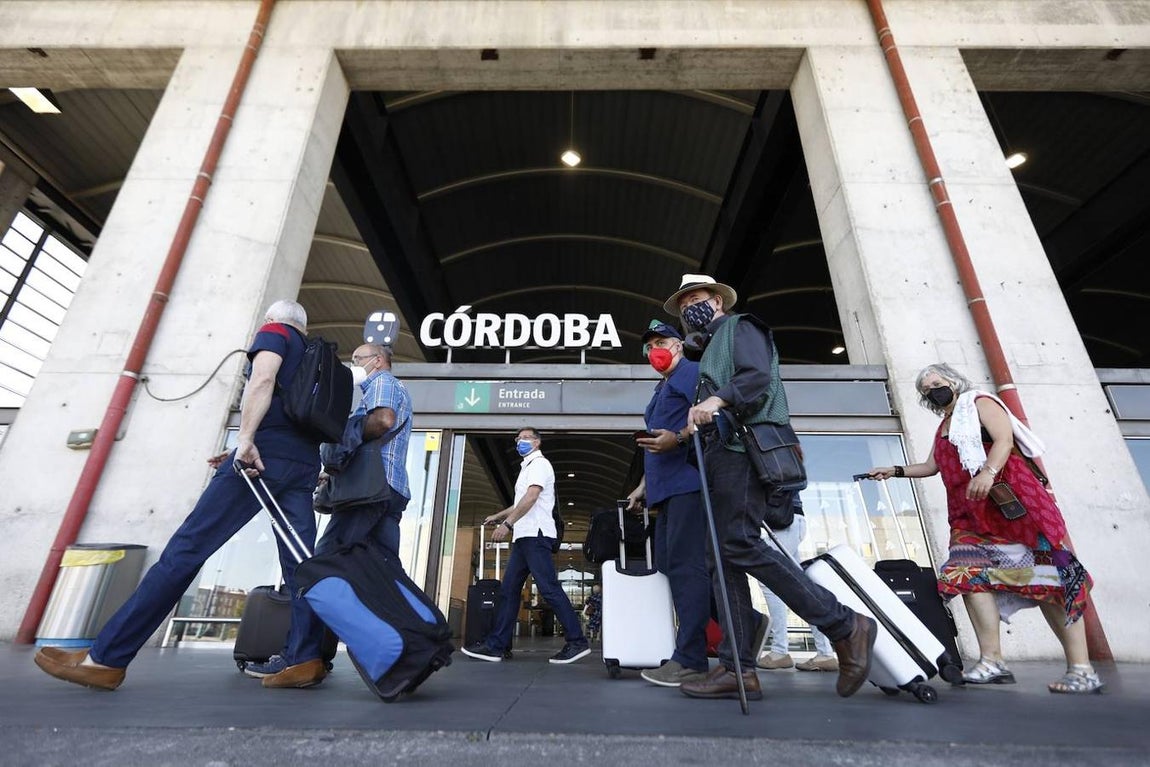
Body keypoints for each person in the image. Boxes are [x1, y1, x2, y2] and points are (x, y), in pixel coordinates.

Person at [34, 300, 330, 690]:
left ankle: (105, 657)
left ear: (272, 320)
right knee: (300, 567)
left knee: (185, 550)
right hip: (303, 464)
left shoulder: (275, 334)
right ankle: (304, 658)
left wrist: (244, 440)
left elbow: (262, 380)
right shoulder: (316, 355)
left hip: (260, 461)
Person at [665, 274, 877, 701]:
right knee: (720, 560)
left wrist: (715, 400)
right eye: (684, 302)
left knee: (739, 544)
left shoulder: (742, 327)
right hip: (722, 454)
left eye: (697, 298)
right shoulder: (707, 353)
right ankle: (737, 670)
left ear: (718, 302)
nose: (690, 307)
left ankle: (844, 624)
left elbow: (757, 377)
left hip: (746, 451)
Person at [867, 363, 1102, 694]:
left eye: (936, 382)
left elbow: (1004, 440)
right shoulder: (946, 424)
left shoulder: (979, 403)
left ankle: (1082, 669)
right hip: (970, 517)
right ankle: (992, 661)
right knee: (964, 575)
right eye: (925, 389)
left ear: (953, 380)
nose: (931, 389)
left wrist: (988, 473)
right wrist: (893, 470)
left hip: (1011, 510)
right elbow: (932, 466)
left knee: (1050, 584)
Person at [243, 342, 413, 679]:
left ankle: (300, 657)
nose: (355, 364)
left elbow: (382, 420)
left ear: (377, 361)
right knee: (387, 574)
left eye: (358, 358)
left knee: (319, 568)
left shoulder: (382, 382)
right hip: (389, 491)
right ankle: (413, 646)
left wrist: (339, 443)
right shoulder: (396, 389)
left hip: (368, 492)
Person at [626, 319, 766, 688]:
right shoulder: (663, 385)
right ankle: (745, 621)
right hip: (665, 488)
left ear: (677, 344)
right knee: (675, 565)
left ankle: (690, 659)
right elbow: (659, 442)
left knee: (688, 568)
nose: (654, 350)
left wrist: (681, 437)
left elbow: (707, 419)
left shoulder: (691, 373)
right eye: (648, 345)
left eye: (661, 342)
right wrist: (642, 486)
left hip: (688, 484)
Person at [461, 427, 591, 664]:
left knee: (548, 588)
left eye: (525, 438)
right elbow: (520, 501)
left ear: (537, 443)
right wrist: (499, 516)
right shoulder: (527, 468)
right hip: (524, 537)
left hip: (536, 535)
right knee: (508, 591)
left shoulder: (540, 464)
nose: (519, 441)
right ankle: (496, 646)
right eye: (518, 438)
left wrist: (507, 525)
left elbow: (531, 498)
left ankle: (577, 641)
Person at [755, 496, 839, 672]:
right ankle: (825, 653)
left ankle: (779, 651)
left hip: (782, 521)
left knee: (770, 581)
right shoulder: (788, 468)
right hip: (790, 519)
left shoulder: (778, 468)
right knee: (802, 585)